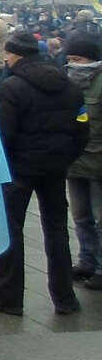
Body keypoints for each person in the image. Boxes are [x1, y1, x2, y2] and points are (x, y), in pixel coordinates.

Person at [0, 31, 89, 317]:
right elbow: (82, 129)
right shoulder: (70, 86)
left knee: (11, 230)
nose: (6, 59)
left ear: (17, 55)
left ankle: (9, 296)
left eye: (8, 53)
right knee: (57, 231)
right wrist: (64, 158)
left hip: (19, 170)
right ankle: (65, 298)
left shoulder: (12, 87)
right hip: (56, 168)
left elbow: (3, 134)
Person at [64, 31, 102, 289]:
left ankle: (100, 267)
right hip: (74, 161)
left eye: (77, 59)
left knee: (100, 219)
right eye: (70, 59)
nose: (72, 64)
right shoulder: (66, 82)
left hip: (98, 160)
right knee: (80, 217)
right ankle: (86, 261)